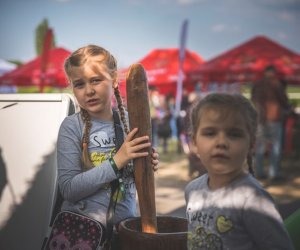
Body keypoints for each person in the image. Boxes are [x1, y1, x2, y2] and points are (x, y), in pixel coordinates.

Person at [57, 45, 159, 248]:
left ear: (113, 79)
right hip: (81, 235)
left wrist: (146, 164)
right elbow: (68, 189)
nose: (89, 90)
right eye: (79, 84)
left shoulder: (131, 122)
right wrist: (116, 162)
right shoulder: (71, 126)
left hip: (123, 234)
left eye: (96, 80)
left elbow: (133, 179)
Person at [185, 93, 294, 250]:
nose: (221, 142)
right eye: (210, 133)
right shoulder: (192, 191)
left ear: (252, 144)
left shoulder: (253, 201)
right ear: (194, 142)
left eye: (234, 134)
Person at [251, 65, 291, 181]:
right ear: (273, 72)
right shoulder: (276, 84)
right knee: (275, 146)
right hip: (275, 118)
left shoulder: (257, 84)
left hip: (260, 119)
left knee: (260, 147)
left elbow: (253, 99)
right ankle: (274, 174)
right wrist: (288, 108)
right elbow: (284, 100)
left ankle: (258, 172)